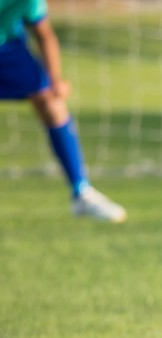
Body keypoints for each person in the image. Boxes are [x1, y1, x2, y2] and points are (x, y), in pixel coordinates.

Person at [1, 0, 126, 223]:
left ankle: (82, 193)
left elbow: (44, 34)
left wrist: (55, 79)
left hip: (7, 50)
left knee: (52, 103)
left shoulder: (30, 1)